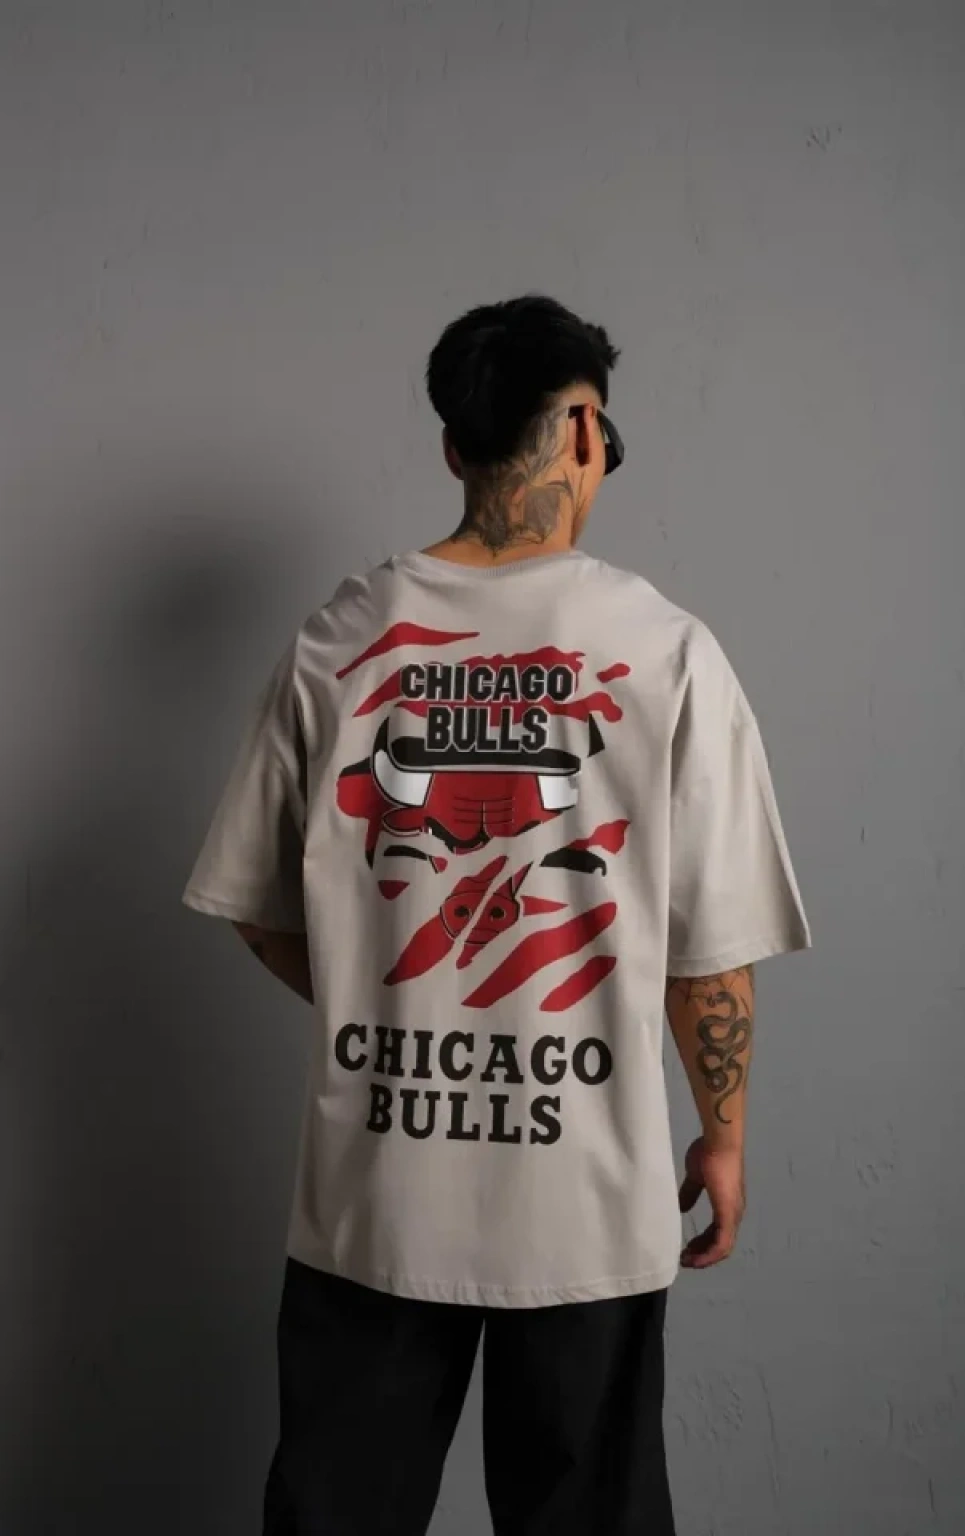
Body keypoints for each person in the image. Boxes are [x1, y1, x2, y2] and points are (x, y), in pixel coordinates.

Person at [182, 293, 812, 1536]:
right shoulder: (666, 651)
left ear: (451, 447)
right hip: (587, 1197)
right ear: (578, 431)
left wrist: (385, 991)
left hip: (375, 1193)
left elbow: (256, 908)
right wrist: (722, 1137)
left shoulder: (340, 641)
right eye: (604, 439)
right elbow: (706, 954)